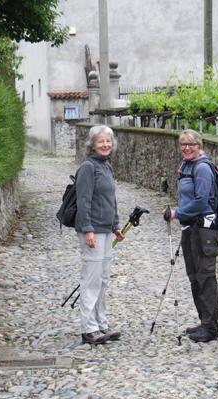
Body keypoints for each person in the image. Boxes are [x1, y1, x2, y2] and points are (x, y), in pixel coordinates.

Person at [164, 130, 218, 343]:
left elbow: (201, 201)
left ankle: (211, 328)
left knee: (206, 278)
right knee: (195, 277)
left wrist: (177, 213)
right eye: (183, 145)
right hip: (190, 229)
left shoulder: (203, 168)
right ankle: (203, 322)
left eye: (191, 145)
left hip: (204, 230)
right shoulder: (187, 166)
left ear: (199, 145)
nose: (186, 148)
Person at [75, 125, 124, 345]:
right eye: (101, 141)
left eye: (108, 141)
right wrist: (88, 229)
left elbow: (110, 199)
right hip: (93, 231)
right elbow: (83, 200)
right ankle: (89, 329)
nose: (105, 145)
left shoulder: (107, 167)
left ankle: (101, 323)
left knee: (103, 280)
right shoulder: (88, 167)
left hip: (106, 230)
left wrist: (116, 225)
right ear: (92, 145)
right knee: (91, 280)